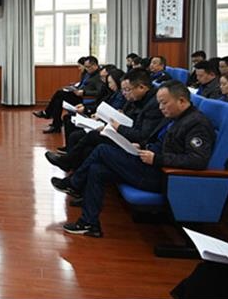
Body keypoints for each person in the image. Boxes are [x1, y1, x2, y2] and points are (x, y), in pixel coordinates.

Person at [51, 80, 215, 238]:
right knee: (97, 170)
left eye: (164, 103)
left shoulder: (197, 123)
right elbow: (156, 140)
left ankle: (74, 183)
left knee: (102, 150)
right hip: (148, 162)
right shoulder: (174, 117)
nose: (160, 107)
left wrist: (157, 159)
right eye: (159, 103)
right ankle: (89, 223)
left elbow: (197, 160)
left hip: (162, 175)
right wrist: (142, 146)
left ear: (181, 101)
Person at [45, 68, 164, 172]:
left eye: (127, 90)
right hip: (124, 132)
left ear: (142, 87)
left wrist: (118, 126)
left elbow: (143, 135)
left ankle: (68, 164)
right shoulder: (136, 98)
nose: (124, 93)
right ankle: (72, 172)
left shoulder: (152, 105)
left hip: (134, 143)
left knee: (92, 137)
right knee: (86, 146)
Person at [58, 67, 125, 153]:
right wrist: (85, 107)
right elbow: (99, 103)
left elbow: (107, 107)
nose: (103, 80)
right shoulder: (108, 89)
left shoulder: (116, 93)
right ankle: (69, 150)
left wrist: (88, 109)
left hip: (102, 120)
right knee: (68, 118)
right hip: (97, 115)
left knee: (75, 134)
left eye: (105, 78)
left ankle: (70, 153)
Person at [33, 56, 103, 134]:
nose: (86, 69)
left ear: (95, 65)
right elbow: (82, 85)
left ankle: (49, 116)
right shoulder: (87, 73)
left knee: (60, 94)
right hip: (79, 95)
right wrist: (75, 88)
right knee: (59, 98)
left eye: (88, 67)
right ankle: (54, 123)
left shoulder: (98, 77)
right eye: (85, 67)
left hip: (86, 99)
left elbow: (100, 92)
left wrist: (84, 92)